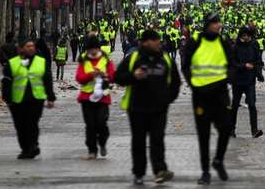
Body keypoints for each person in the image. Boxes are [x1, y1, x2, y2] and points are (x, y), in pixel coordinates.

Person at [115, 29, 180, 186]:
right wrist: (133, 76)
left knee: (157, 140)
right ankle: (139, 173)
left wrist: (166, 99)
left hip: (159, 109)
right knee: (138, 142)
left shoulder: (165, 59)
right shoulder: (133, 58)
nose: (159, 42)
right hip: (137, 108)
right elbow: (118, 77)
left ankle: (159, 171)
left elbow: (176, 83)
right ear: (145, 42)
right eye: (155, 40)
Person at [182, 12, 233, 185]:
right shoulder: (195, 42)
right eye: (215, 23)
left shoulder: (223, 42)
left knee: (226, 129)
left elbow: (232, 64)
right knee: (203, 136)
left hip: (220, 95)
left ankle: (218, 160)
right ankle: (205, 172)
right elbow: (185, 64)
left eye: (219, 22)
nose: (218, 26)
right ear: (207, 25)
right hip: (201, 96)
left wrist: (227, 81)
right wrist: (192, 83)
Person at [2, 39, 56, 159]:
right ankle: (25, 148)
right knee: (20, 125)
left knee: (32, 123)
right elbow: (6, 82)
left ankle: (33, 145)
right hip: (17, 100)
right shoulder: (12, 63)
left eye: (32, 46)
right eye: (28, 46)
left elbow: (47, 80)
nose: (31, 48)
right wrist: (7, 98)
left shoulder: (41, 61)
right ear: (20, 49)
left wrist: (50, 96)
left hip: (36, 98)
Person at [75, 35, 115, 160]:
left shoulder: (106, 60)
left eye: (94, 49)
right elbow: (79, 78)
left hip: (102, 97)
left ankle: (102, 143)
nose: (92, 51)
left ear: (98, 48)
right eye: (90, 49)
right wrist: (90, 75)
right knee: (90, 125)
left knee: (101, 123)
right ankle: (92, 150)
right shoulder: (83, 60)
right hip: (87, 98)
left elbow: (113, 76)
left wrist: (104, 75)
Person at [229, 26, 264, 139]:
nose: (247, 38)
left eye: (248, 36)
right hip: (238, 81)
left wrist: (259, 73)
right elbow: (232, 63)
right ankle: (231, 129)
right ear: (241, 36)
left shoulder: (253, 46)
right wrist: (244, 65)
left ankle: (254, 130)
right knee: (234, 105)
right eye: (244, 36)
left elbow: (258, 60)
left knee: (252, 105)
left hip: (250, 81)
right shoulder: (235, 47)